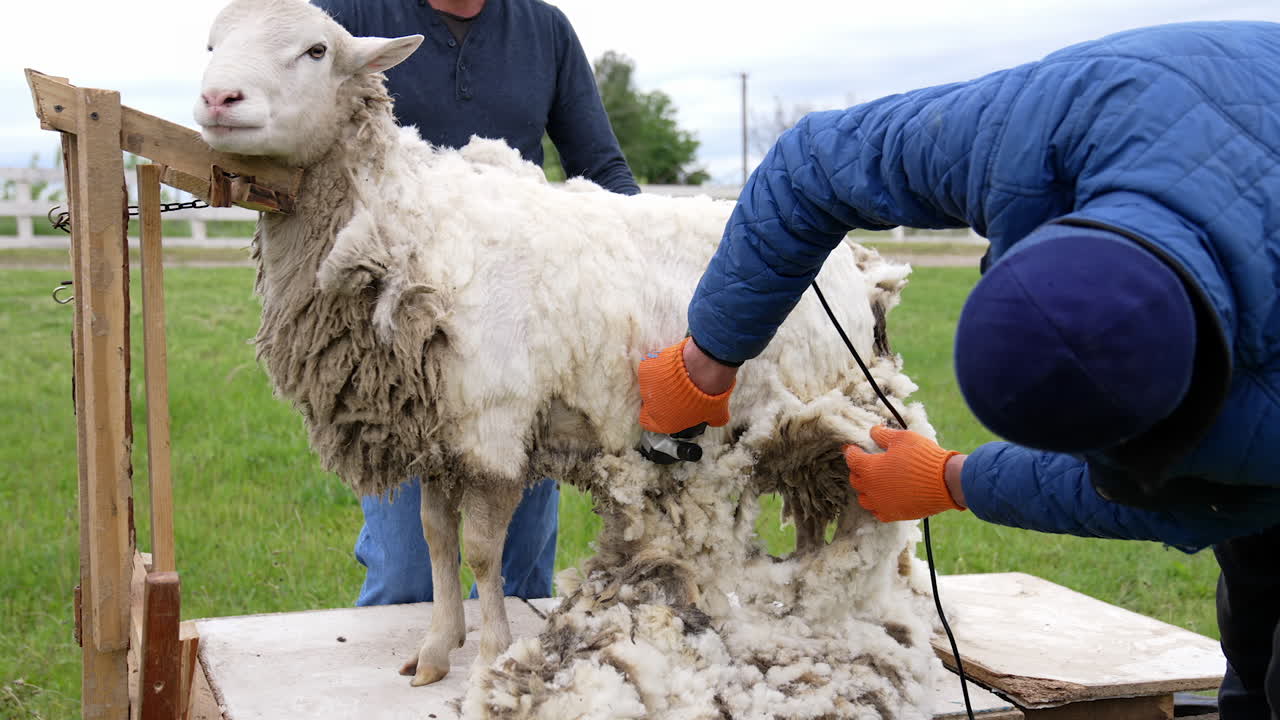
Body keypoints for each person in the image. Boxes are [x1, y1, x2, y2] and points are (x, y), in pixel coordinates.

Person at [636, 22, 1280, 719]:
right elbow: (812, 167)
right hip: (1190, 107)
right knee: (1254, 635)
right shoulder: (1040, 130)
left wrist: (954, 480)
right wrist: (709, 358)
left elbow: (1189, 501)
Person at [315, 0, 640, 606]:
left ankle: (508, 684)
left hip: (515, 326)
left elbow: (597, 161)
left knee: (521, 574)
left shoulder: (544, 29)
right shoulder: (350, 14)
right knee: (407, 570)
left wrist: (645, 255)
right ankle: (398, 689)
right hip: (401, 334)